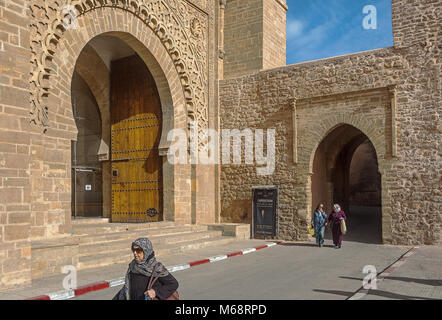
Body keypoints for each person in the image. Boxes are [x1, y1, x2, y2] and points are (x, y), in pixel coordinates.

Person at [112, 238, 179, 300]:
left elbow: (173, 284)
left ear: (146, 251)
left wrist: (155, 292)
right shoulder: (133, 266)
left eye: (138, 250)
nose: (135, 253)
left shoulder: (156, 268)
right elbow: (128, 287)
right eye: (133, 250)